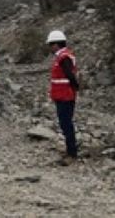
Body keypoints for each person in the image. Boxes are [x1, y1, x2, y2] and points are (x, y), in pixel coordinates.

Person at [47, 30, 80, 164]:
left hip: (65, 95)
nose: (49, 47)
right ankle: (70, 150)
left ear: (56, 44)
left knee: (66, 123)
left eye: (50, 44)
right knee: (65, 123)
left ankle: (72, 153)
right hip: (63, 95)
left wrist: (74, 88)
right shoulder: (63, 56)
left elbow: (70, 75)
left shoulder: (63, 57)